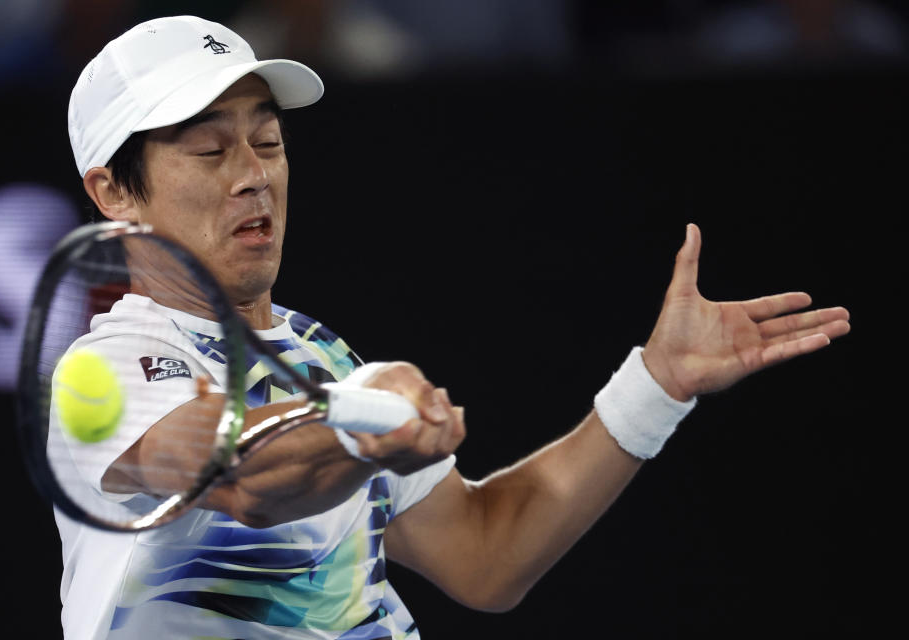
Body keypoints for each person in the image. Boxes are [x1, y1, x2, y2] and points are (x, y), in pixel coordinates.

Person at [59, 15, 851, 640]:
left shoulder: (319, 354)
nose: (253, 174)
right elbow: (239, 477)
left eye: (267, 141)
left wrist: (656, 386)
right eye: (207, 149)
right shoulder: (108, 368)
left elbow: (484, 556)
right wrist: (359, 420)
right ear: (114, 192)